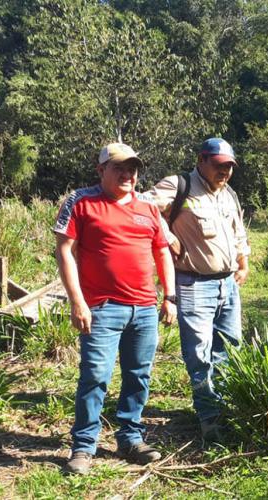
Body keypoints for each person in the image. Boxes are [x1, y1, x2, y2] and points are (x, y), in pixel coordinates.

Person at [54, 143, 176, 474]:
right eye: (119, 168)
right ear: (101, 170)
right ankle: (83, 446)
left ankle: (130, 438)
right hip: (101, 309)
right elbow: (64, 251)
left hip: (144, 308)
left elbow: (162, 251)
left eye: (132, 169)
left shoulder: (147, 207)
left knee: (139, 375)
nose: (127, 175)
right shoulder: (81, 201)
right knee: (95, 377)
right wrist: (77, 301)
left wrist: (169, 296)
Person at [147, 137, 250, 442]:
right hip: (193, 284)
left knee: (229, 347)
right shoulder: (178, 186)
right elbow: (142, 206)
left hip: (228, 284)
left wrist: (243, 262)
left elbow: (238, 231)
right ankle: (209, 417)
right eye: (218, 165)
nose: (225, 171)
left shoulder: (228, 194)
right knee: (199, 353)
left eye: (229, 166)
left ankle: (224, 406)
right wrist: (166, 235)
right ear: (201, 160)